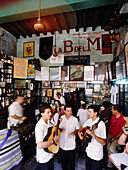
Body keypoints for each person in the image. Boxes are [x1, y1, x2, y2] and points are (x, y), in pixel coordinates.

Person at [78, 105, 106, 170]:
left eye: (90, 112)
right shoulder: (89, 121)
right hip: (88, 152)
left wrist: (94, 135)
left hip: (96, 155)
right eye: (88, 112)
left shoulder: (101, 124)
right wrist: (80, 133)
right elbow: (81, 128)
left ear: (95, 113)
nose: (88, 113)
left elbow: (104, 142)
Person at [35, 104, 59, 170]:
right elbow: (40, 145)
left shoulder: (49, 121)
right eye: (48, 112)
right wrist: (53, 141)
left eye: (50, 111)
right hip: (43, 158)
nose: (50, 114)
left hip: (50, 154)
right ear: (42, 114)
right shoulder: (39, 126)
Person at [59, 104, 79, 170]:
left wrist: (73, 133)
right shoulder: (61, 118)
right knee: (64, 164)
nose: (69, 112)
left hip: (71, 145)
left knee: (71, 164)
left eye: (70, 111)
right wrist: (60, 129)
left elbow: (77, 129)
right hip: (62, 144)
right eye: (68, 111)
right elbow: (56, 130)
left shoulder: (75, 119)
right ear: (64, 111)